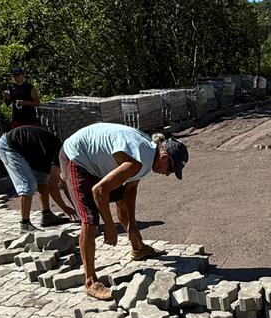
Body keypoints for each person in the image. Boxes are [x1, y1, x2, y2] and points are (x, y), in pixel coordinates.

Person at [60, 122, 189, 300]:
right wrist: (110, 227)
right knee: (89, 219)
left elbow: (129, 192)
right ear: (165, 157)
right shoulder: (138, 159)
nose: (168, 174)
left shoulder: (148, 156)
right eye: (171, 170)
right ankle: (90, 282)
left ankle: (138, 247)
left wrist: (133, 227)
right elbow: (99, 191)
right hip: (77, 157)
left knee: (120, 200)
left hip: (97, 160)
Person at [0, 122, 75, 230]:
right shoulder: (59, 154)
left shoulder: (59, 152)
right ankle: (25, 224)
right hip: (10, 145)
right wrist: (66, 208)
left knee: (43, 181)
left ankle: (47, 216)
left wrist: (77, 207)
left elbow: (63, 184)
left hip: (31, 150)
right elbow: (54, 187)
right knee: (28, 183)